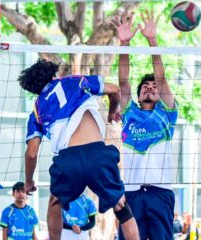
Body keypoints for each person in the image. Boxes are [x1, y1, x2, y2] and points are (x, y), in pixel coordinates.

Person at [19, 58, 139, 240]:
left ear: (35, 89)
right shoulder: (75, 81)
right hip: (98, 155)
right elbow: (114, 89)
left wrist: (28, 182)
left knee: (55, 202)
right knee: (121, 206)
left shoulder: (37, 109)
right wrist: (113, 111)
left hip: (68, 161)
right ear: (54, 74)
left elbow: (32, 153)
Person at [112, 10, 178, 240]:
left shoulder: (167, 113)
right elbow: (123, 80)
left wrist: (152, 40)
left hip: (160, 191)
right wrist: (124, 43)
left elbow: (161, 78)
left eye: (153, 86)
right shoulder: (129, 112)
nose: (150, 88)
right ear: (138, 96)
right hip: (131, 191)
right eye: (144, 87)